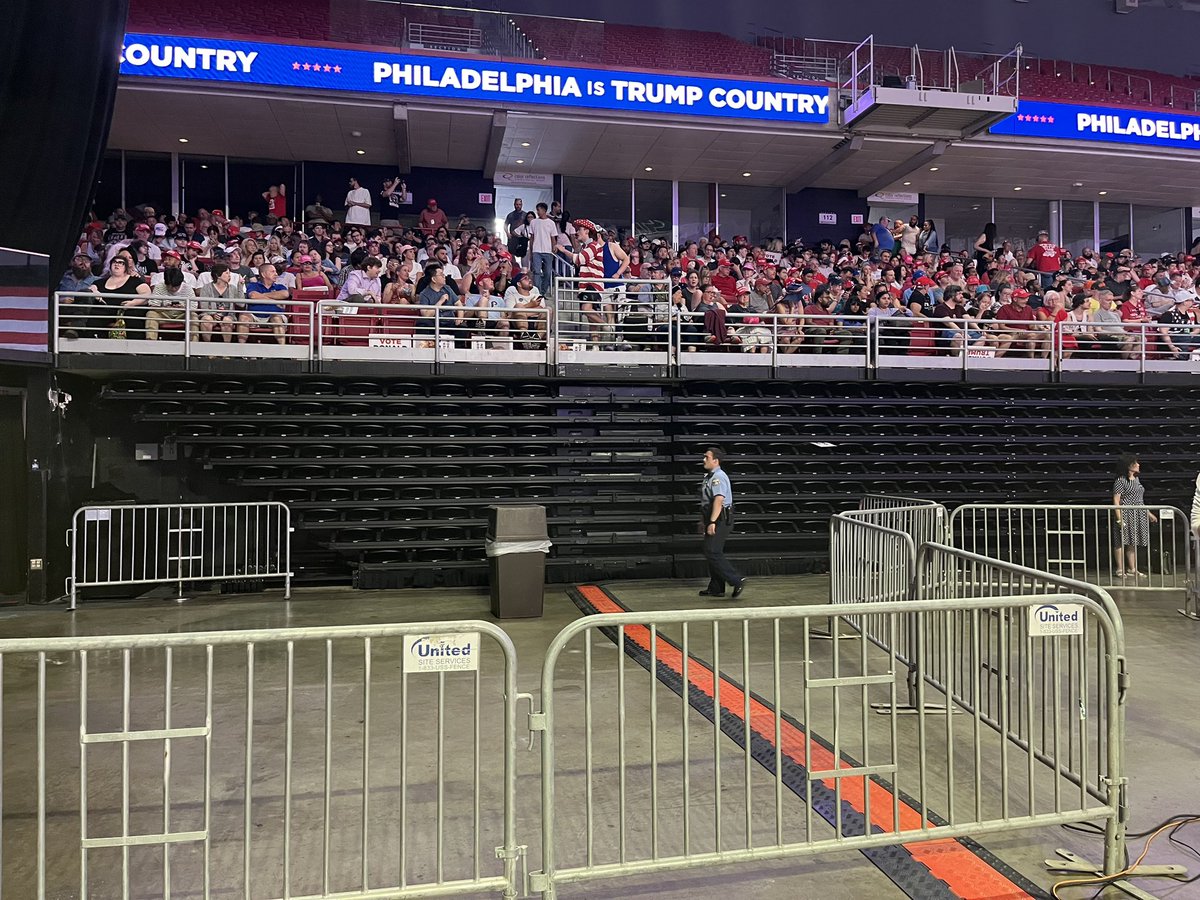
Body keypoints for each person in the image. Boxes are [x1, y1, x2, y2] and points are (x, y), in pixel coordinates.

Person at [698, 447, 745, 599]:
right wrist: (703, 521)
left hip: (721, 519)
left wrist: (712, 521)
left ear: (715, 460)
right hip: (712, 517)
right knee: (711, 550)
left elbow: (719, 500)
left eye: (706, 457)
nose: (703, 460)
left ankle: (736, 580)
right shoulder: (709, 477)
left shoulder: (718, 477)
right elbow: (706, 502)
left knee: (712, 551)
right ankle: (716, 588)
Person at [1112, 453, 1157, 579]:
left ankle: (1132, 568)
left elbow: (1139, 500)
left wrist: (1148, 513)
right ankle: (1120, 569)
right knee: (1120, 541)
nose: (1138, 465)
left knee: (1133, 542)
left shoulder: (1136, 480)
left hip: (1138, 514)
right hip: (1126, 514)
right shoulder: (1120, 481)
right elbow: (1116, 500)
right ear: (1128, 466)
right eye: (1135, 463)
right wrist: (1119, 519)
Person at [239, 262, 289, 345]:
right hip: (254, 316)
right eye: (272, 271)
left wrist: (261, 296)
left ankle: (282, 348)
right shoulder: (253, 285)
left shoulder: (279, 287)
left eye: (276, 271)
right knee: (243, 317)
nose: (276, 274)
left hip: (274, 315)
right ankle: (241, 349)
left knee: (276, 318)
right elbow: (253, 295)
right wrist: (273, 301)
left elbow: (285, 294)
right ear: (263, 274)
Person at [196, 262, 242, 342]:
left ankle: (226, 347)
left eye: (229, 273)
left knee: (227, 320)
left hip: (228, 316)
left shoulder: (232, 288)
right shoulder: (206, 287)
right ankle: (207, 347)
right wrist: (213, 313)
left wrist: (240, 286)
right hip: (211, 315)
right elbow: (204, 307)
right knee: (206, 319)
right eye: (227, 273)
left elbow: (241, 304)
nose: (229, 276)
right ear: (218, 275)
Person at [146, 266, 194, 340]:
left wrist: (183, 308)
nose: (173, 289)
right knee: (151, 314)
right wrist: (164, 308)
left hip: (182, 315)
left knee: (193, 316)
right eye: (170, 287)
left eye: (176, 287)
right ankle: (150, 342)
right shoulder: (159, 287)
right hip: (164, 314)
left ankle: (193, 343)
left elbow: (193, 307)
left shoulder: (188, 288)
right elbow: (153, 305)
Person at [528, 202, 559, 296]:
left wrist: (554, 246)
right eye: (537, 210)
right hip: (536, 250)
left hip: (548, 251)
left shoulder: (551, 223)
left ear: (544, 210)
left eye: (539, 210)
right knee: (537, 272)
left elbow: (553, 237)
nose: (538, 212)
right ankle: (538, 292)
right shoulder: (533, 222)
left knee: (548, 273)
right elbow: (532, 238)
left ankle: (543, 292)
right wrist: (531, 251)